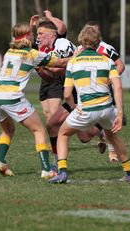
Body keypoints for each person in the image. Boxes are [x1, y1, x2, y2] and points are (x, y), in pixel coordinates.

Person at [48, 25, 130, 184]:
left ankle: (62, 172)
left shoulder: (73, 62)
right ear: (98, 42)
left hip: (86, 109)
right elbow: (117, 86)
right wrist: (120, 113)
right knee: (113, 137)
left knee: (62, 134)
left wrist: (74, 107)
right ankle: (129, 172)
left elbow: (67, 94)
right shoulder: (107, 61)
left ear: (81, 41)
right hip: (107, 108)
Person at [0, 22, 69, 178]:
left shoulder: (9, 52)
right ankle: (47, 170)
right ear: (28, 37)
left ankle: (1, 162)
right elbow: (61, 62)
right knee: (39, 130)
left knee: (8, 130)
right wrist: (79, 53)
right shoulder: (32, 54)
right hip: (12, 96)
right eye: (33, 34)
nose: (35, 36)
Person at [34, 20, 76, 167]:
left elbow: (64, 67)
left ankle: (111, 118)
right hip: (76, 93)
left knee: (82, 134)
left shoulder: (62, 44)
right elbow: (52, 77)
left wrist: (43, 64)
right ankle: (57, 162)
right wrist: (39, 69)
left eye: (40, 33)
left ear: (52, 34)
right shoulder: (51, 51)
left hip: (85, 91)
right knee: (52, 126)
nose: (37, 37)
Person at [82, 21, 126, 162]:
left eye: (94, 31)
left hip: (105, 91)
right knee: (86, 133)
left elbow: (120, 65)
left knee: (110, 120)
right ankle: (101, 135)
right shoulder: (80, 49)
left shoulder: (106, 48)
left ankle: (112, 153)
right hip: (87, 93)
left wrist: (109, 79)